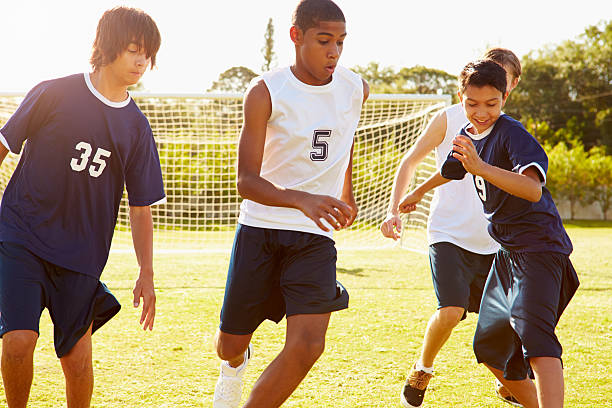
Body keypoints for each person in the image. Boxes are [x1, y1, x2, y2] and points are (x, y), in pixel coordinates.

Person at [0, 7, 164, 407]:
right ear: (107, 47)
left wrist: (147, 272)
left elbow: (141, 208)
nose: (142, 61)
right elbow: (3, 147)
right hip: (22, 237)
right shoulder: (53, 92)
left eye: (149, 53)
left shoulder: (137, 128)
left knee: (76, 360)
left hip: (81, 256)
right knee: (19, 340)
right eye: (132, 50)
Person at [212, 1, 369, 407]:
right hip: (261, 230)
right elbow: (246, 180)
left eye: (340, 42)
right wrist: (302, 199)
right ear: (296, 36)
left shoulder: (356, 88)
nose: (334, 51)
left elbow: (345, 139)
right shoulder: (266, 91)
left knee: (308, 346)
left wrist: (344, 192)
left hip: (314, 237)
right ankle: (234, 363)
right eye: (323, 41)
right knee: (229, 345)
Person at [400, 59, 579, 408]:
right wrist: (418, 192)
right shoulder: (466, 135)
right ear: (460, 97)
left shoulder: (512, 133)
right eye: (472, 103)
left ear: (505, 99)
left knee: (536, 337)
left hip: (539, 249)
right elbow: (452, 170)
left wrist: (481, 167)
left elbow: (532, 190)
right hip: (508, 253)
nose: (481, 112)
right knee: (490, 347)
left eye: (491, 104)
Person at [381, 48, 524, 408]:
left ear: (509, 88)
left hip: (494, 243)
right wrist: (393, 209)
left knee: (505, 323)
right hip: (448, 235)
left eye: (500, 86)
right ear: (466, 92)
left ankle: (512, 383)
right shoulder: (448, 120)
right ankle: (422, 371)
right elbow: (410, 161)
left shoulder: (510, 131)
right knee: (451, 309)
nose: (484, 106)